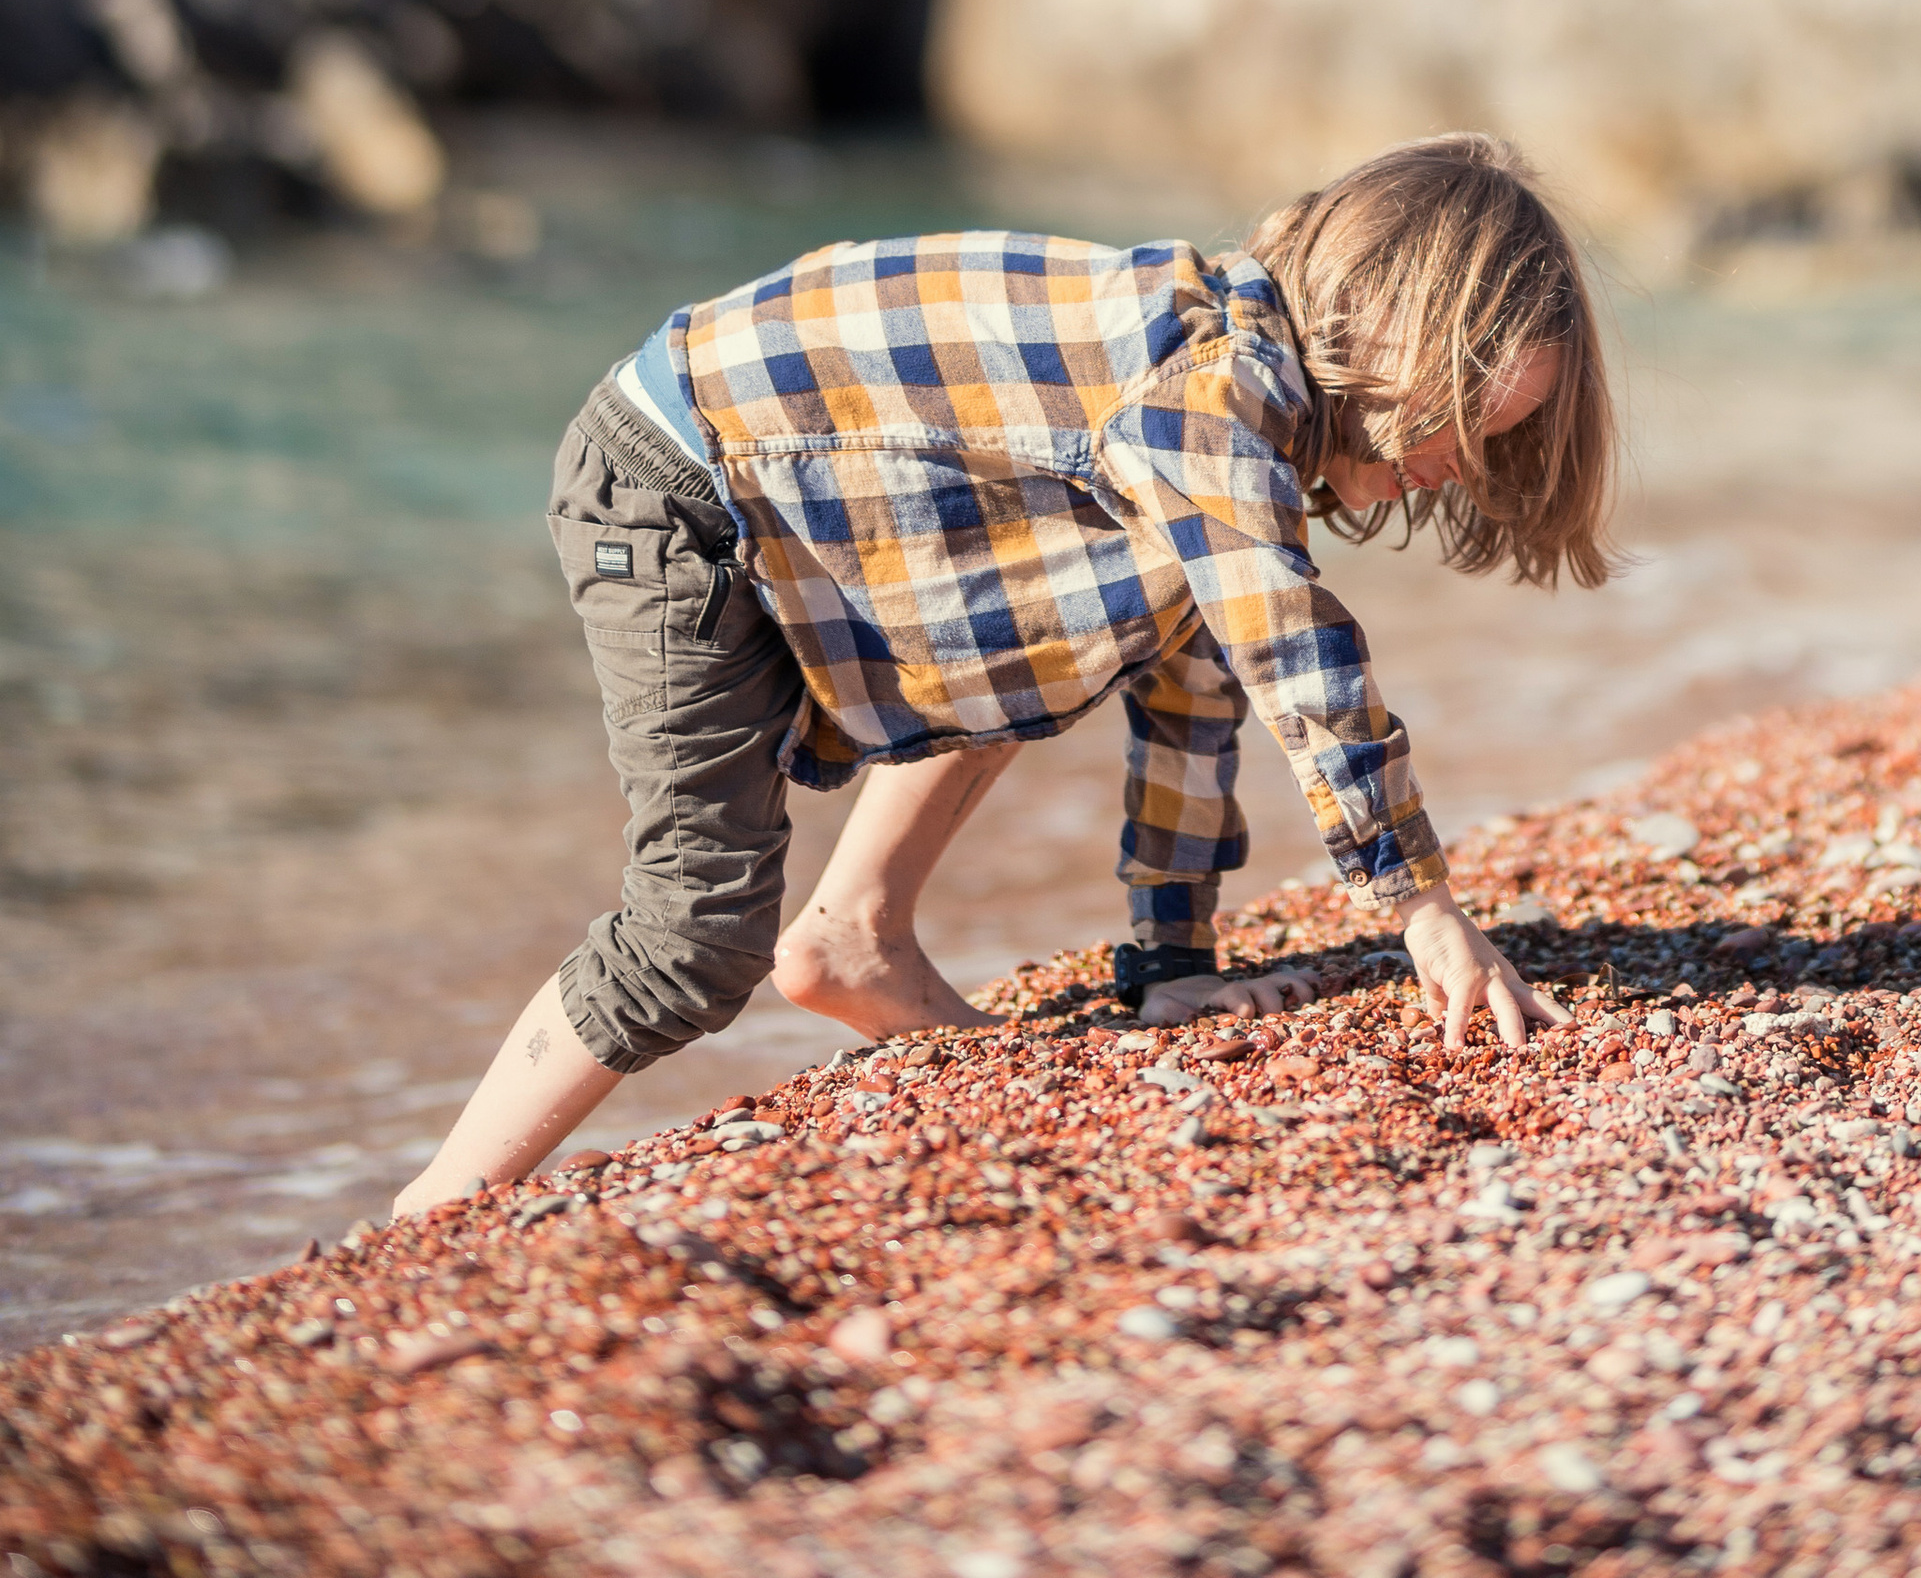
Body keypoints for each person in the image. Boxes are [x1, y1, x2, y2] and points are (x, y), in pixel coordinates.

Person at [393, 131, 1616, 1213]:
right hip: (672, 485)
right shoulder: (1211, 393)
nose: (1456, 467)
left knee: (1084, 603)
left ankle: (857, 935)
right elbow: (1289, 648)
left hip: (773, 476)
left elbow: (1194, 681)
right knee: (698, 928)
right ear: (1381, 331)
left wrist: (1173, 966)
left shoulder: (1230, 406)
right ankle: (438, 1206)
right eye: (1460, 423)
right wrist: (1421, 907)